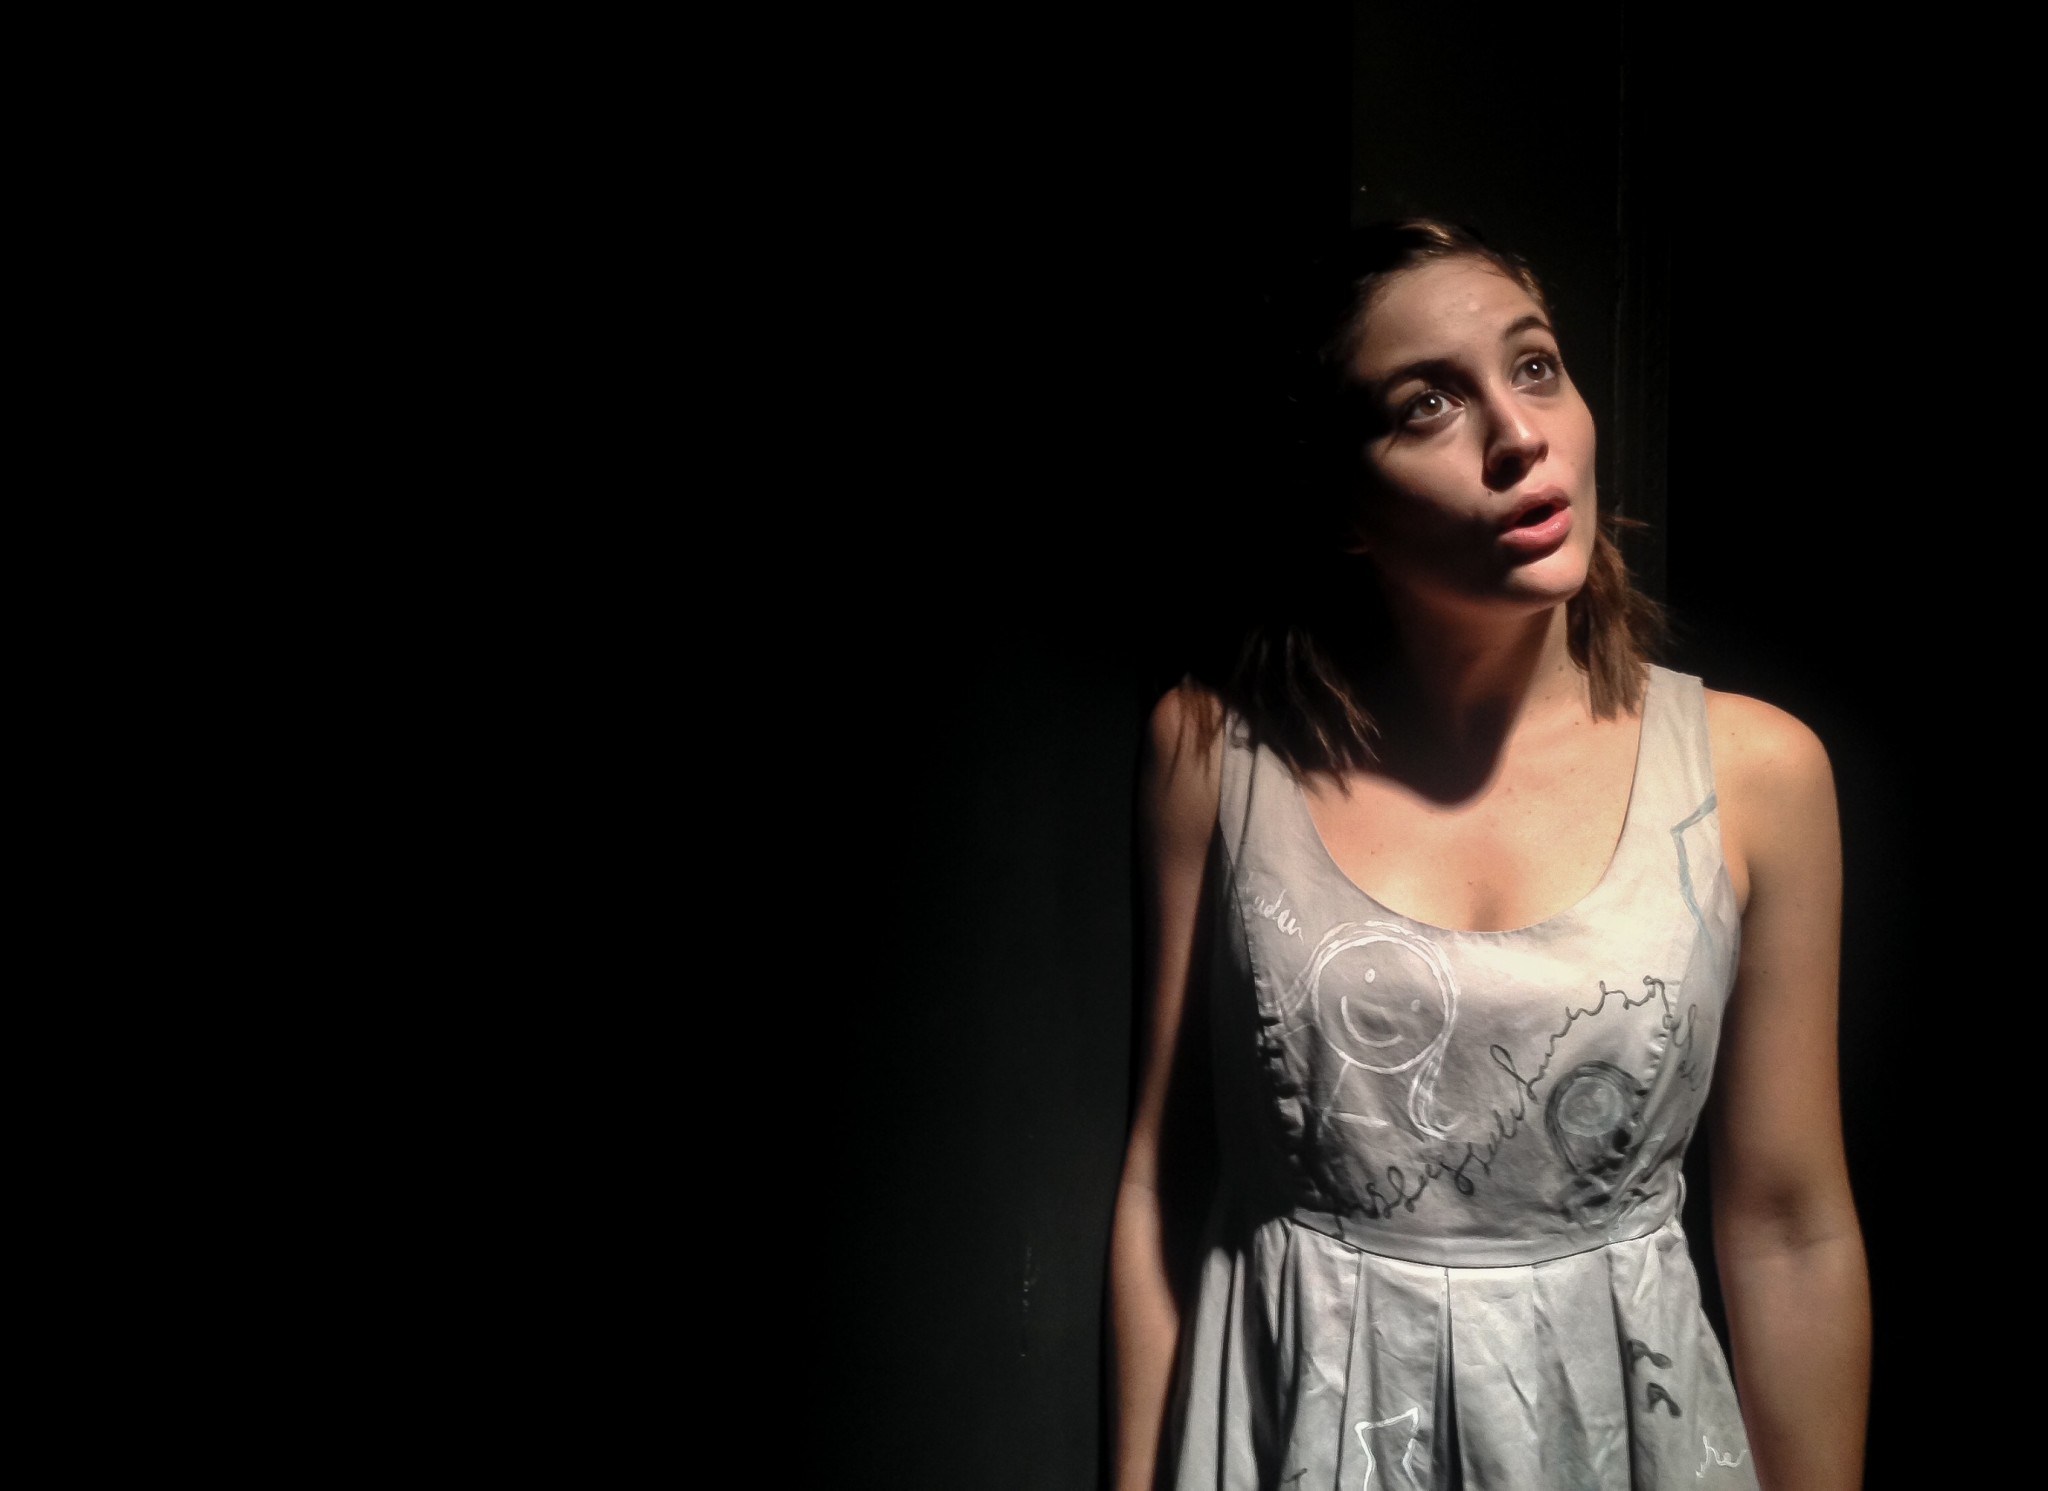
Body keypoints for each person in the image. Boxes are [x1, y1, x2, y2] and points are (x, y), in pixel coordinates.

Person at [1109, 220, 1870, 1490]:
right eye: (1427, 404)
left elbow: (1789, 1228)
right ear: (1342, 504)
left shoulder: (1755, 775)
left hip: (1614, 1433)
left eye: (1534, 367)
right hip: (1299, 1432)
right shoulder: (1213, 756)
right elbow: (1163, 1182)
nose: (1517, 434)